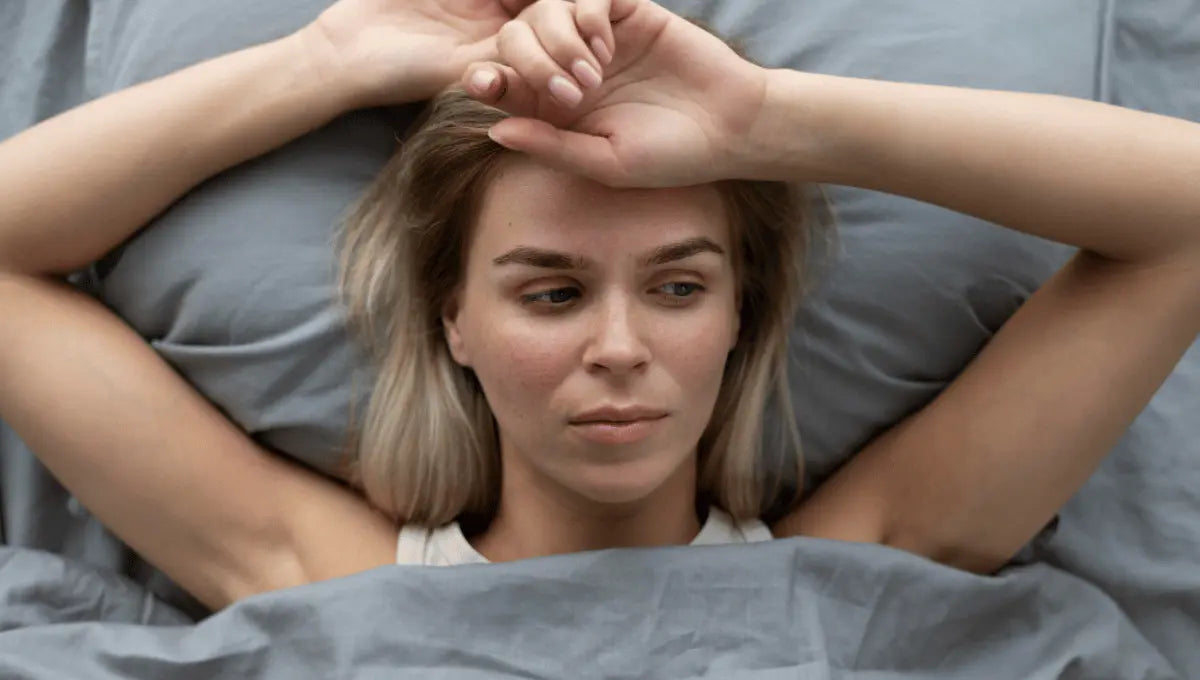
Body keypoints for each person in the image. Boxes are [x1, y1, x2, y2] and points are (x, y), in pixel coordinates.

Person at [0, 0, 1197, 612]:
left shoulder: (860, 563)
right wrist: (332, 55)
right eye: (552, 291)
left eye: (679, 286)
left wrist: (767, 123)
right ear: (453, 320)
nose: (619, 350)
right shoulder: (324, 578)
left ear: (742, 314)